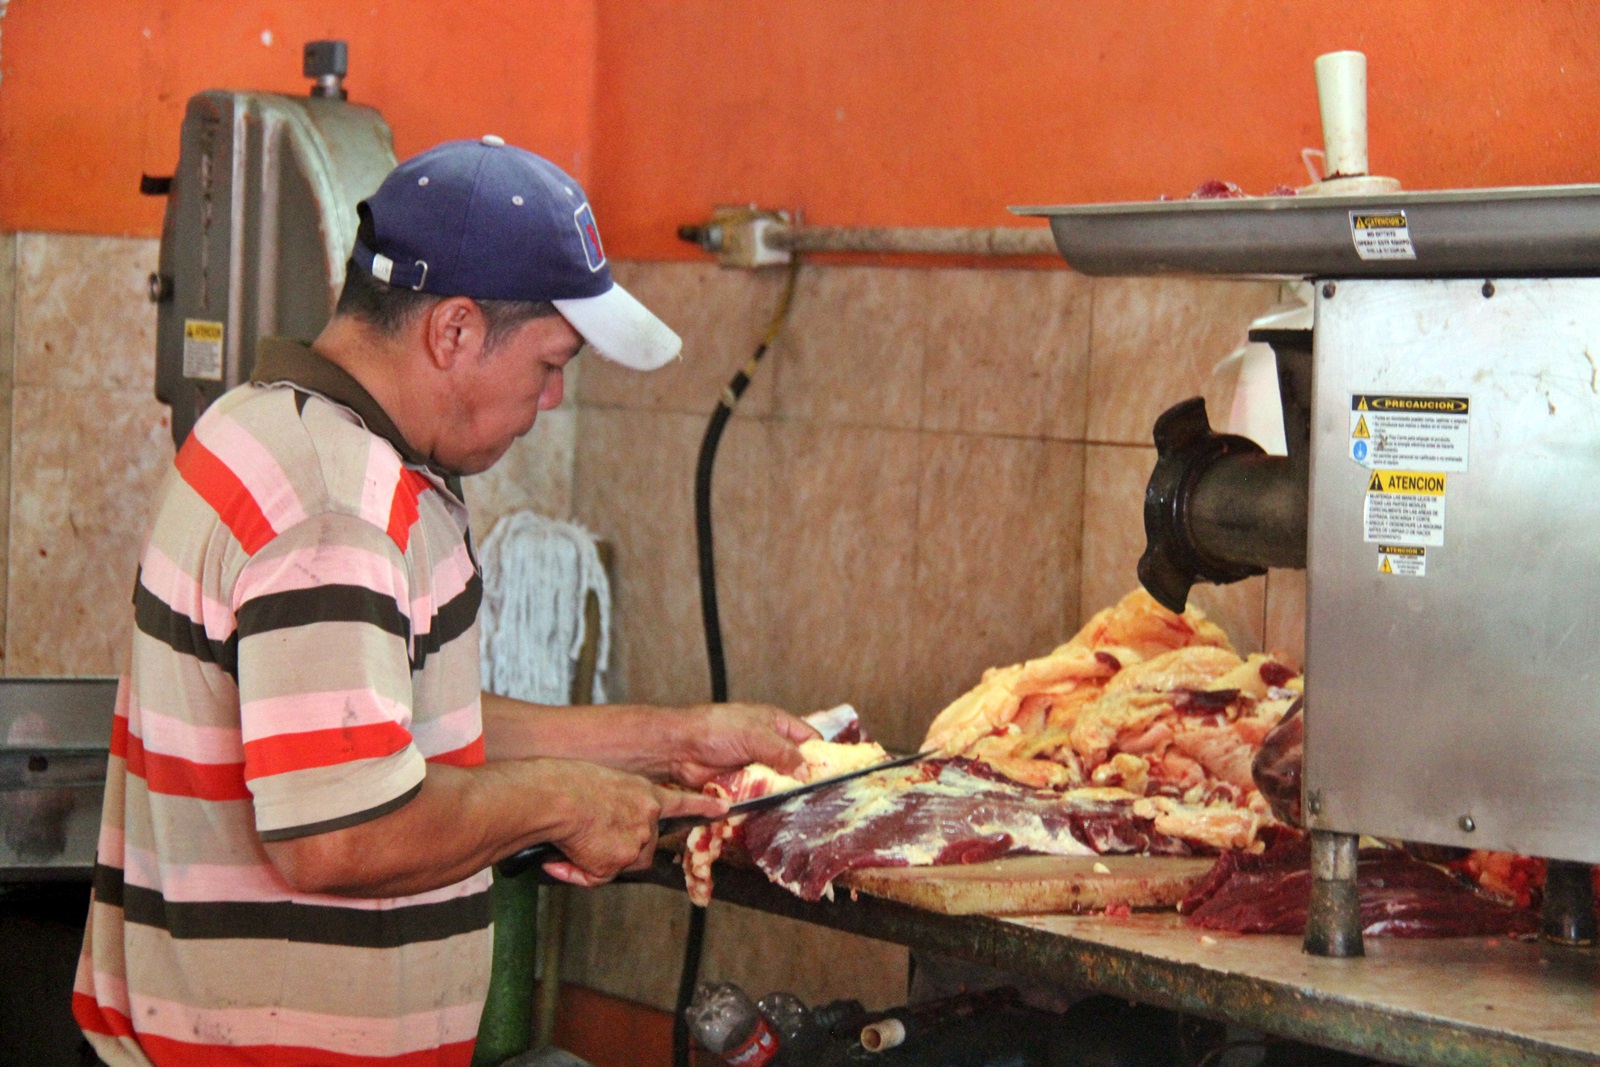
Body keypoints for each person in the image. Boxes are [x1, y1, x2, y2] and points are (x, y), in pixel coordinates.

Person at [73, 137, 816, 1067]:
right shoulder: (334, 507)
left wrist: (671, 739)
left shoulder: (265, 423)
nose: (549, 399)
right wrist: (564, 801)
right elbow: (341, 833)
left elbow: (386, 726)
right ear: (454, 330)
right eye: (549, 364)